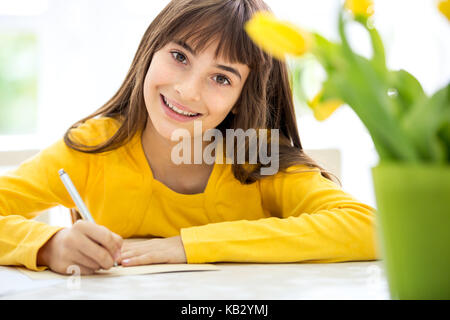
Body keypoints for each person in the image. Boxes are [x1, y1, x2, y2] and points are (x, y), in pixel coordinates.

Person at [0, 0, 377, 275]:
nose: (187, 90)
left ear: (239, 98)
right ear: (151, 51)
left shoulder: (256, 158)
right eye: (180, 56)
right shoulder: (94, 148)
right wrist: (50, 246)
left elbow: (369, 228)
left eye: (221, 78)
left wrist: (188, 246)